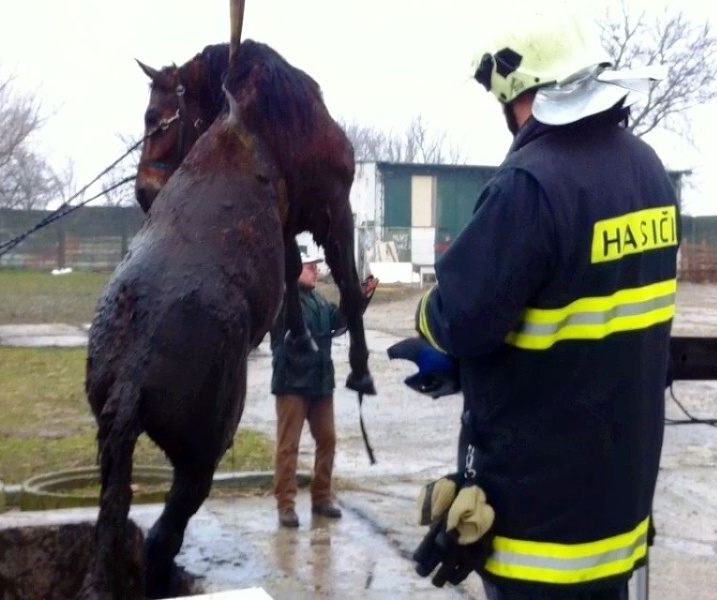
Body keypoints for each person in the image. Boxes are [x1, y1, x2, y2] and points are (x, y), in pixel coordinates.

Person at [397, 4, 680, 599]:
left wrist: (431, 328)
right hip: (617, 518)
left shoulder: (530, 183)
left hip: (539, 531)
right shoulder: (649, 172)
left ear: (516, 90)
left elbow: (460, 317)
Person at [271, 249, 379, 528]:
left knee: (328, 440)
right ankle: (286, 505)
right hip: (291, 383)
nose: (315, 271)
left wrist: (360, 298)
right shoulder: (282, 301)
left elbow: (341, 321)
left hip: (320, 384)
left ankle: (321, 498)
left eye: (316, 267)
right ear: (294, 269)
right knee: (288, 446)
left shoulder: (319, 302)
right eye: (309, 267)